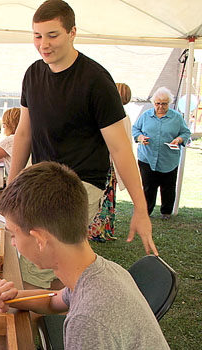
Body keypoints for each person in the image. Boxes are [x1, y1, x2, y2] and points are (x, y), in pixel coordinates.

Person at [9, 0, 157, 256]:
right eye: (37, 36)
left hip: (81, 184)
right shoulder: (33, 74)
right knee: (29, 251)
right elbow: (23, 133)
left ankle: (54, 294)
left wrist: (140, 209)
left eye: (52, 35)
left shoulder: (96, 81)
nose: (44, 44)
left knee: (47, 255)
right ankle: (59, 294)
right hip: (42, 179)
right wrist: (10, 187)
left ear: (72, 33)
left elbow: (120, 148)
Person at [0, 162, 170, 350]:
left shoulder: (87, 321)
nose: (13, 243)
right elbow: (53, 299)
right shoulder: (99, 272)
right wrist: (14, 297)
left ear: (40, 240)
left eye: (14, 235)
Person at [132, 87, 191, 220]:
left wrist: (179, 139)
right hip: (147, 158)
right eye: (158, 103)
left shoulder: (176, 117)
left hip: (168, 159)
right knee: (148, 187)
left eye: (164, 103)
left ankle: (166, 212)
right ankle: (146, 212)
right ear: (154, 103)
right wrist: (140, 137)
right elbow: (135, 129)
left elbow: (186, 132)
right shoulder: (146, 115)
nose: (160, 106)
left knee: (168, 187)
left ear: (169, 103)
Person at [89, 83, 132, 241]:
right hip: (110, 164)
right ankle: (103, 230)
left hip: (108, 164)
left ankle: (98, 231)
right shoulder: (122, 115)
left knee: (103, 197)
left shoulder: (118, 116)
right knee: (107, 197)